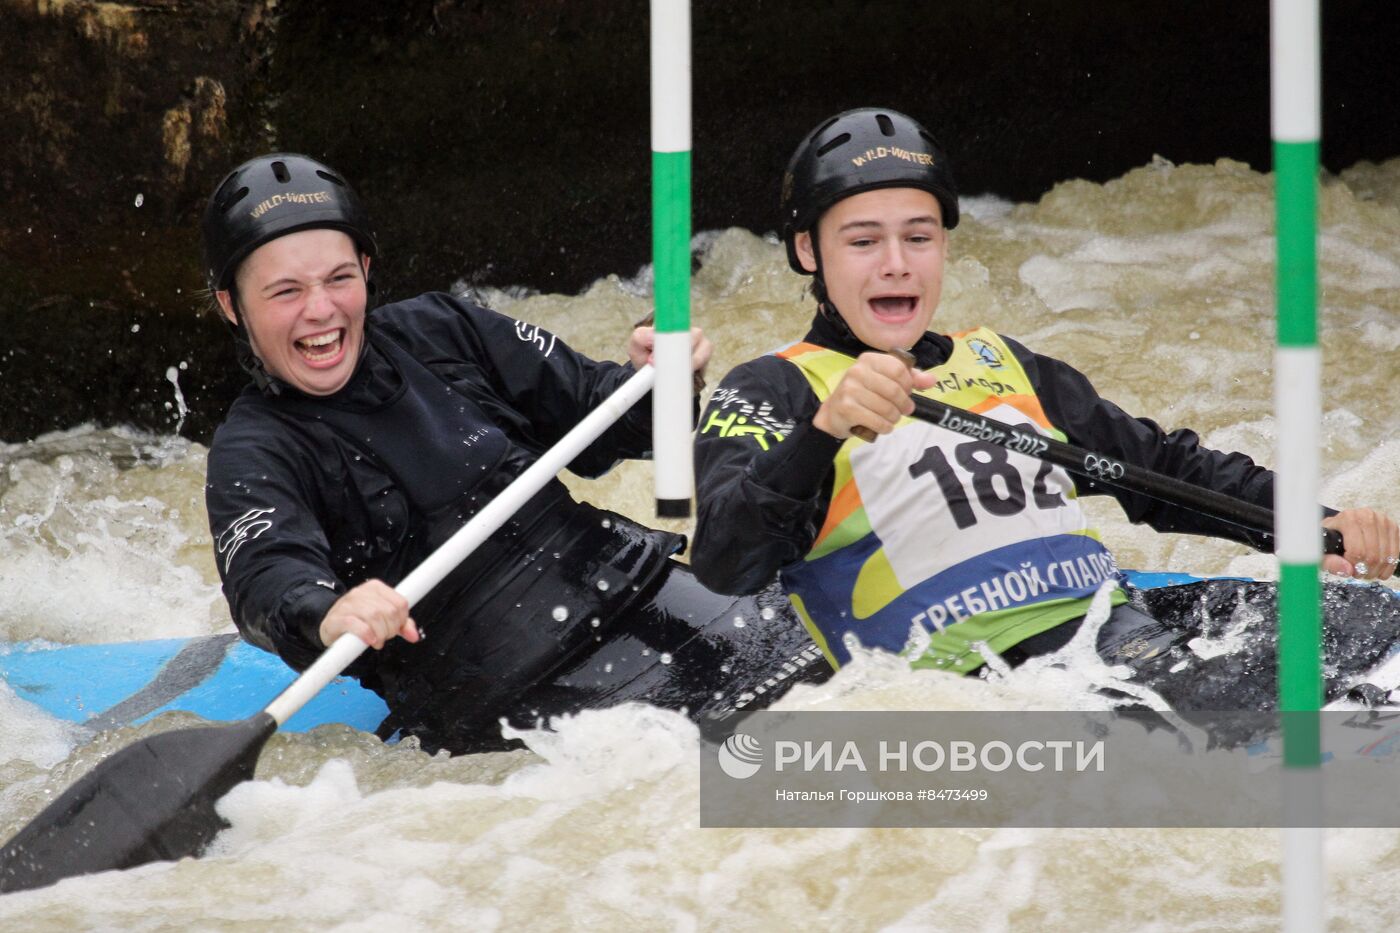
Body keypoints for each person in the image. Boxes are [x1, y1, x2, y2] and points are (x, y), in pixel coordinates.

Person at [691, 107, 1400, 711]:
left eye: (919, 235)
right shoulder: (772, 389)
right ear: (807, 250)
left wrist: (1320, 526)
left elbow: (1165, 470)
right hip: (989, 692)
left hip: (1111, 633)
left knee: (1374, 626)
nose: (897, 264)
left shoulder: (1002, 360)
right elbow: (726, 559)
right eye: (863, 240)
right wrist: (823, 432)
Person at [201, 153, 826, 755]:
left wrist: (659, 381)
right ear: (233, 305)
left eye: (339, 278)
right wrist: (332, 610)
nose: (321, 311)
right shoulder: (252, 448)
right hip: (498, 690)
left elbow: (602, 414)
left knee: (857, 739)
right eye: (285, 292)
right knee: (713, 791)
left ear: (365, 267)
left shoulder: (441, 329)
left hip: (649, 591)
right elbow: (266, 577)